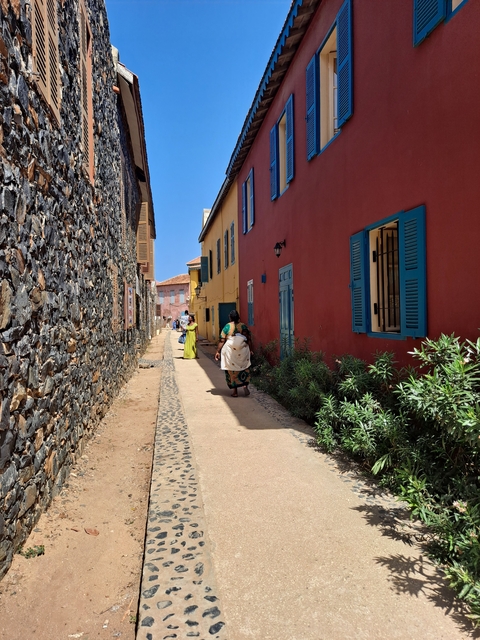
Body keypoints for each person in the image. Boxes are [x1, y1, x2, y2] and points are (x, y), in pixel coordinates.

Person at [215, 310, 253, 397]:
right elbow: (249, 339)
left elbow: (222, 340)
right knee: (244, 367)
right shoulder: (243, 326)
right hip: (242, 351)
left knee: (231, 370)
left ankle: (235, 392)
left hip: (230, 352)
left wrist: (218, 351)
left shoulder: (227, 327)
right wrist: (250, 350)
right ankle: (244, 385)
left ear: (230, 317)